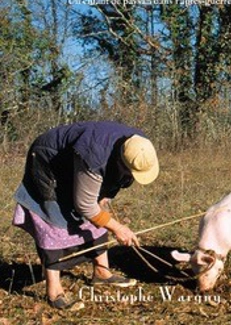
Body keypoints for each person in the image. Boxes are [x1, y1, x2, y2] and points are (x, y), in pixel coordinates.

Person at [12, 121, 159, 309]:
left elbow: (106, 188)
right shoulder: (93, 157)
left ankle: (102, 273)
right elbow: (85, 206)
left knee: (99, 215)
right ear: (122, 160)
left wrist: (104, 197)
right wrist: (118, 228)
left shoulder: (140, 145)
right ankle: (54, 291)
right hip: (48, 162)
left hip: (79, 161)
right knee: (55, 220)